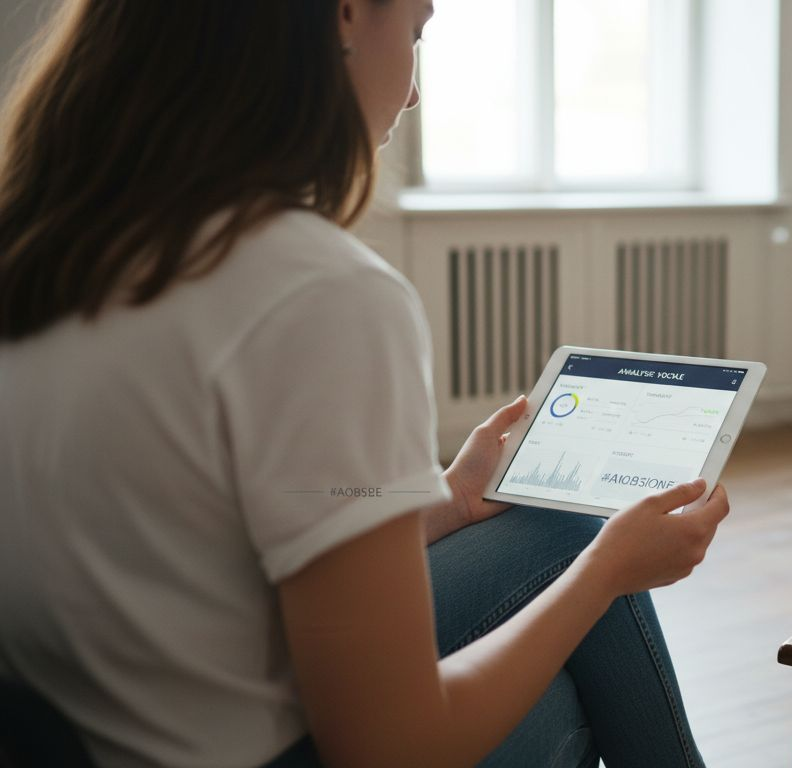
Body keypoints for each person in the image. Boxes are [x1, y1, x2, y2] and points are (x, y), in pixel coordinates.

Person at [0, 1, 729, 766]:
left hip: (103, 716)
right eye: (415, 32)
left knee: (560, 528)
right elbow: (392, 751)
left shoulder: (47, 254)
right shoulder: (316, 293)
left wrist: (441, 504)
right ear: (346, 13)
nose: (414, 92)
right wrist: (606, 576)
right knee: (564, 671)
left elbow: (190, 535)